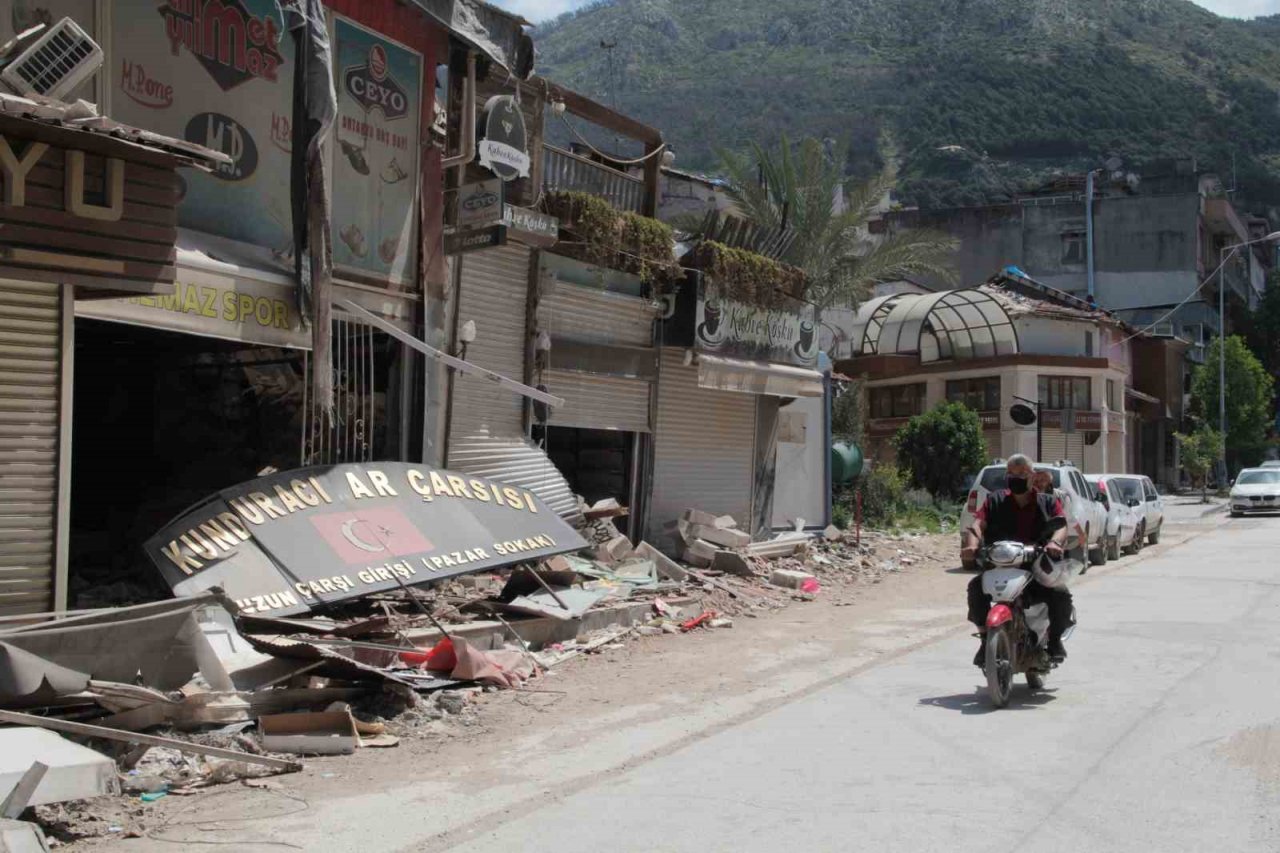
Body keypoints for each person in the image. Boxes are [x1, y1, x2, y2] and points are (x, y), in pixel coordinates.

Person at [961, 454, 1074, 666]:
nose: (1016, 477)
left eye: (1022, 473)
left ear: (1032, 475)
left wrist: (1054, 543)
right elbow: (977, 525)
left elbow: (1061, 526)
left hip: (1036, 567)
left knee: (1060, 595)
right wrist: (972, 545)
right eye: (1011, 473)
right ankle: (985, 639)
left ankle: (1055, 641)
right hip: (999, 565)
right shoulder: (994, 500)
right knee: (975, 589)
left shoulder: (1048, 501)